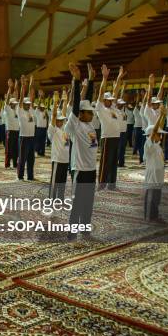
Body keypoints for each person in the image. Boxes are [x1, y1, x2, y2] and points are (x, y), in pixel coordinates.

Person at [64, 63, 98, 241]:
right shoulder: (75, 125)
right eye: (88, 113)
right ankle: (72, 232)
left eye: (92, 113)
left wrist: (91, 80)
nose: (91, 114)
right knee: (77, 203)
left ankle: (85, 228)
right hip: (80, 170)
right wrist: (77, 82)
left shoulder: (90, 124)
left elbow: (87, 101)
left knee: (88, 203)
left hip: (91, 169)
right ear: (80, 114)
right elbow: (78, 105)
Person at [96, 65, 125, 191]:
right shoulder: (100, 108)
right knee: (105, 162)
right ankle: (101, 183)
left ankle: (112, 184)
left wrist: (118, 78)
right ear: (104, 100)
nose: (110, 101)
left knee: (114, 162)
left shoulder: (113, 107)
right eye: (107, 100)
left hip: (116, 137)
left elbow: (116, 90)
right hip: (107, 138)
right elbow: (101, 92)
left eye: (110, 100)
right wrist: (104, 78)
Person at [143, 106, 167, 221]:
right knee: (151, 197)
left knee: (156, 198)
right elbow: (154, 131)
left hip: (158, 176)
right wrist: (161, 115)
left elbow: (158, 129)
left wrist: (163, 117)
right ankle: (149, 216)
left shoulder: (157, 145)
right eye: (159, 134)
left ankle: (155, 215)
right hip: (152, 177)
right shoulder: (148, 145)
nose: (161, 136)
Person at [47, 90, 69, 200]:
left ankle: (60, 199)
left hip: (65, 160)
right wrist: (55, 103)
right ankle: (51, 199)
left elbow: (64, 114)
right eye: (59, 120)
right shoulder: (53, 130)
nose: (61, 122)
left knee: (62, 181)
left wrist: (65, 101)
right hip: (57, 160)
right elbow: (54, 115)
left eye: (62, 121)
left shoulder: (65, 128)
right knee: (55, 180)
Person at [17, 75, 36, 181]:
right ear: (23, 104)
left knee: (31, 159)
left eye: (29, 104)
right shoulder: (20, 111)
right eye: (26, 104)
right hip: (23, 137)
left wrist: (31, 83)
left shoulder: (31, 111)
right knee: (22, 158)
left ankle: (30, 175)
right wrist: (23, 87)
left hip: (32, 137)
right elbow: (20, 100)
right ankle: (20, 175)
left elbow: (32, 95)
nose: (28, 105)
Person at [3, 80, 20, 169]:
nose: (15, 104)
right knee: (9, 149)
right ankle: (7, 164)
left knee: (16, 149)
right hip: (10, 131)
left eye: (15, 103)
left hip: (17, 131)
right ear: (10, 104)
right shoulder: (7, 109)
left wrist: (16, 87)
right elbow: (6, 101)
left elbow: (17, 97)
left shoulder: (16, 109)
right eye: (13, 103)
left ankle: (14, 164)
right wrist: (10, 88)